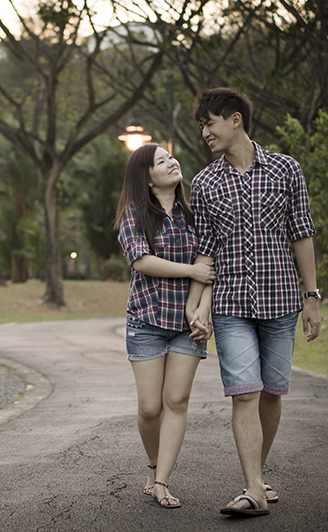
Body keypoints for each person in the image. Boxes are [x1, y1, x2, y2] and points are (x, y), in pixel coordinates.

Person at [186, 87, 321, 517]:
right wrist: (198, 305)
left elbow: (302, 233)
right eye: (203, 126)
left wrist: (312, 297)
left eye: (209, 123)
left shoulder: (286, 170)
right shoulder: (205, 182)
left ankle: (256, 479)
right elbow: (205, 251)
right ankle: (252, 491)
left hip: (281, 301)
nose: (205, 132)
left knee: (271, 394)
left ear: (235, 120)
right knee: (245, 394)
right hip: (231, 306)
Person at [115, 143, 216, 508]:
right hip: (146, 320)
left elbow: (211, 268)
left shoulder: (196, 214)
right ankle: (153, 462)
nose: (172, 163)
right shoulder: (133, 214)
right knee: (149, 409)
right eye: (162, 161)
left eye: (171, 157)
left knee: (176, 400)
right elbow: (141, 261)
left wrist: (203, 310)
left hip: (187, 325)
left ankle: (161, 481)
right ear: (147, 176)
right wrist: (191, 271)